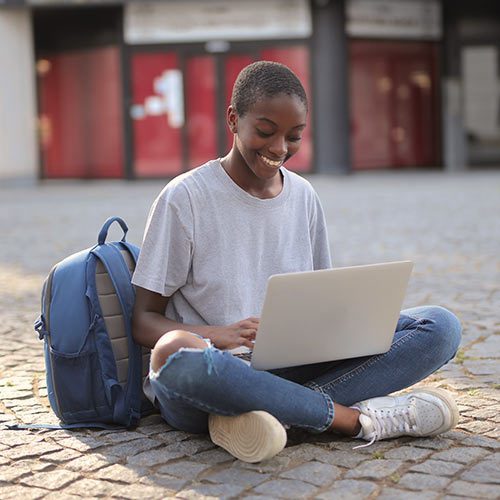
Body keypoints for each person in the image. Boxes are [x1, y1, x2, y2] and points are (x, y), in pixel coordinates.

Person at [131, 61, 462, 463]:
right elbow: (144, 322)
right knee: (174, 350)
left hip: (289, 366)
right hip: (213, 376)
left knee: (440, 325)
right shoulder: (184, 198)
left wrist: (346, 323)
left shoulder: (304, 196)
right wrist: (221, 334)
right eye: (266, 132)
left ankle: (267, 417)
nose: (279, 149)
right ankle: (354, 421)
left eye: (294, 137)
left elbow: (320, 300)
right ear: (233, 119)